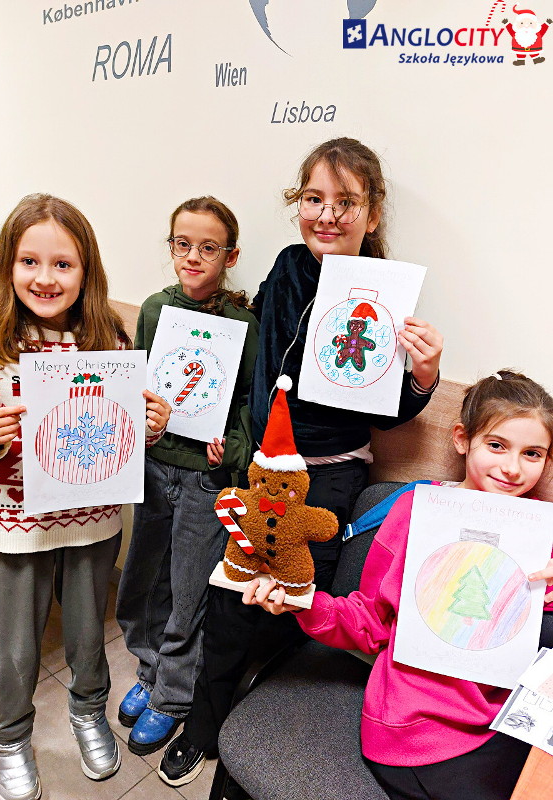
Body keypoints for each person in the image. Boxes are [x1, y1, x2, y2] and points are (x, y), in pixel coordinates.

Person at [159, 138, 443, 790]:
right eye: (314, 199)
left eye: (346, 202)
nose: (328, 215)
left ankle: (258, 720)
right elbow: (257, 341)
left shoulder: (386, 289)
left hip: (330, 470)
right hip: (262, 467)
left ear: (372, 214)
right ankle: (206, 723)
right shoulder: (288, 265)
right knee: (230, 598)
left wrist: (424, 375)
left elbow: (387, 411)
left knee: (291, 598)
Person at [245, 369, 553, 800]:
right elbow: (370, 622)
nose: (512, 468)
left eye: (532, 453)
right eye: (497, 445)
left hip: (510, 719)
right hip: (418, 725)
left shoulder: (542, 530)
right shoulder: (415, 512)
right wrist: (301, 601)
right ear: (463, 439)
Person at [0, 193, 170, 800]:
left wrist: (151, 423)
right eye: (29, 261)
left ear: (85, 270)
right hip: (15, 519)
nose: (45, 278)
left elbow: (124, 428)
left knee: (86, 634)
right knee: (16, 648)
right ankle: (9, 737)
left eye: (63, 264)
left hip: (92, 518)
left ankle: (88, 711)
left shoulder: (108, 338)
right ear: (8, 264)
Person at [115, 196, 260, 756]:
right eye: (183, 244)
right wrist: (142, 425)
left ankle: (173, 696)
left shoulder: (243, 325)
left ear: (230, 256)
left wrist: (232, 450)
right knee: (145, 578)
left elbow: (247, 402)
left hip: (205, 476)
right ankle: (149, 670)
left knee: (189, 588)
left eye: (209, 247)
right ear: (171, 247)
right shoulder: (155, 309)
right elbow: (140, 384)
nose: (193, 256)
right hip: (156, 467)